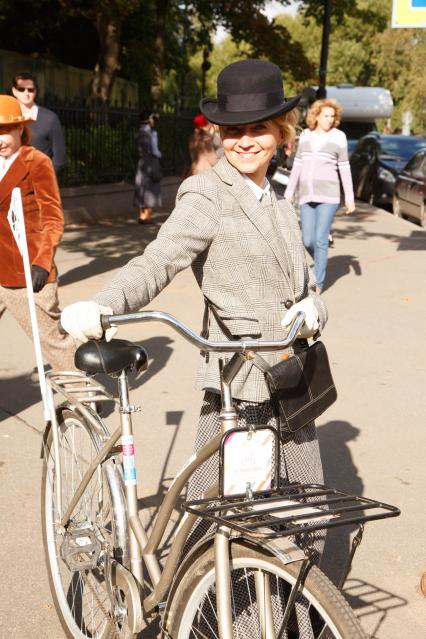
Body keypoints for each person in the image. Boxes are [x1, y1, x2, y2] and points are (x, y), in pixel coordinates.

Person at [61, 58, 328, 549]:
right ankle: (220, 621)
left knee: (308, 519)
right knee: (228, 527)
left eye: (259, 128)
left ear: (281, 133)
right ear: (219, 135)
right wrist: (102, 304)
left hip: (294, 383)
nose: (245, 141)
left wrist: (315, 309)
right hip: (239, 387)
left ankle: (298, 622)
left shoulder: (280, 199)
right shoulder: (206, 195)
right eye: (234, 130)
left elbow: (305, 282)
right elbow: (157, 260)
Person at [0, 95, 75, 371]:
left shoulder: (36, 162)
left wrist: (42, 263)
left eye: (5, 131)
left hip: (27, 271)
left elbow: (53, 219)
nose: (0, 139)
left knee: (53, 342)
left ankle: (84, 397)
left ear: (20, 128)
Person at [285, 98, 355, 293]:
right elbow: (298, 165)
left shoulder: (339, 137)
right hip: (306, 195)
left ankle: (319, 282)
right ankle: (320, 261)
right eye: (326, 116)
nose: (330, 120)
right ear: (315, 116)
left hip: (329, 196)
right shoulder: (306, 136)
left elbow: (344, 167)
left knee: (321, 239)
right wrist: (289, 193)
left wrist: (349, 197)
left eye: (333, 116)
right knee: (307, 240)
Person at [12, 71, 66, 175]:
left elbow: (60, 158)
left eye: (30, 90)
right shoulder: (6, 116)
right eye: (21, 89)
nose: (26, 93)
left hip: (38, 184)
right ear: (14, 91)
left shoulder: (50, 119)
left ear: (35, 92)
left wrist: (44, 180)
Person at [134, 110, 162, 224]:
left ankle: (142, 215)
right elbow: (154, 151)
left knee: (142, 188)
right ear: (149, 120)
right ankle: (147, 217)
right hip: (151, 162)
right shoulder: (150, 134)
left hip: (142, 163)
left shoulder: (139, 133)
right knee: (152, 187)